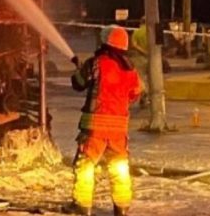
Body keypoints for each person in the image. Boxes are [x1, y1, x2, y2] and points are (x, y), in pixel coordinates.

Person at [64, 25, 142, 216]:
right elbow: (135, 93)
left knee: (85, 165)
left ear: (105, 43)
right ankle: (121, 208)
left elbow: (78, 83)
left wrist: (82, 68)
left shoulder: (96, 63)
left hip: (95, 128)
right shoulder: (130, 70)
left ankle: (82, 206)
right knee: (119, 167)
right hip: (119, 129)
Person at [129, 18, 150, 108]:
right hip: (152, 59)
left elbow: (133, 44)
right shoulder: (151, 31)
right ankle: (149, 97)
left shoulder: (137, 32)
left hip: (139, 58)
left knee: (141, 79)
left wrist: (142, 51)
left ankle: (144, 95)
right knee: (151, 79)